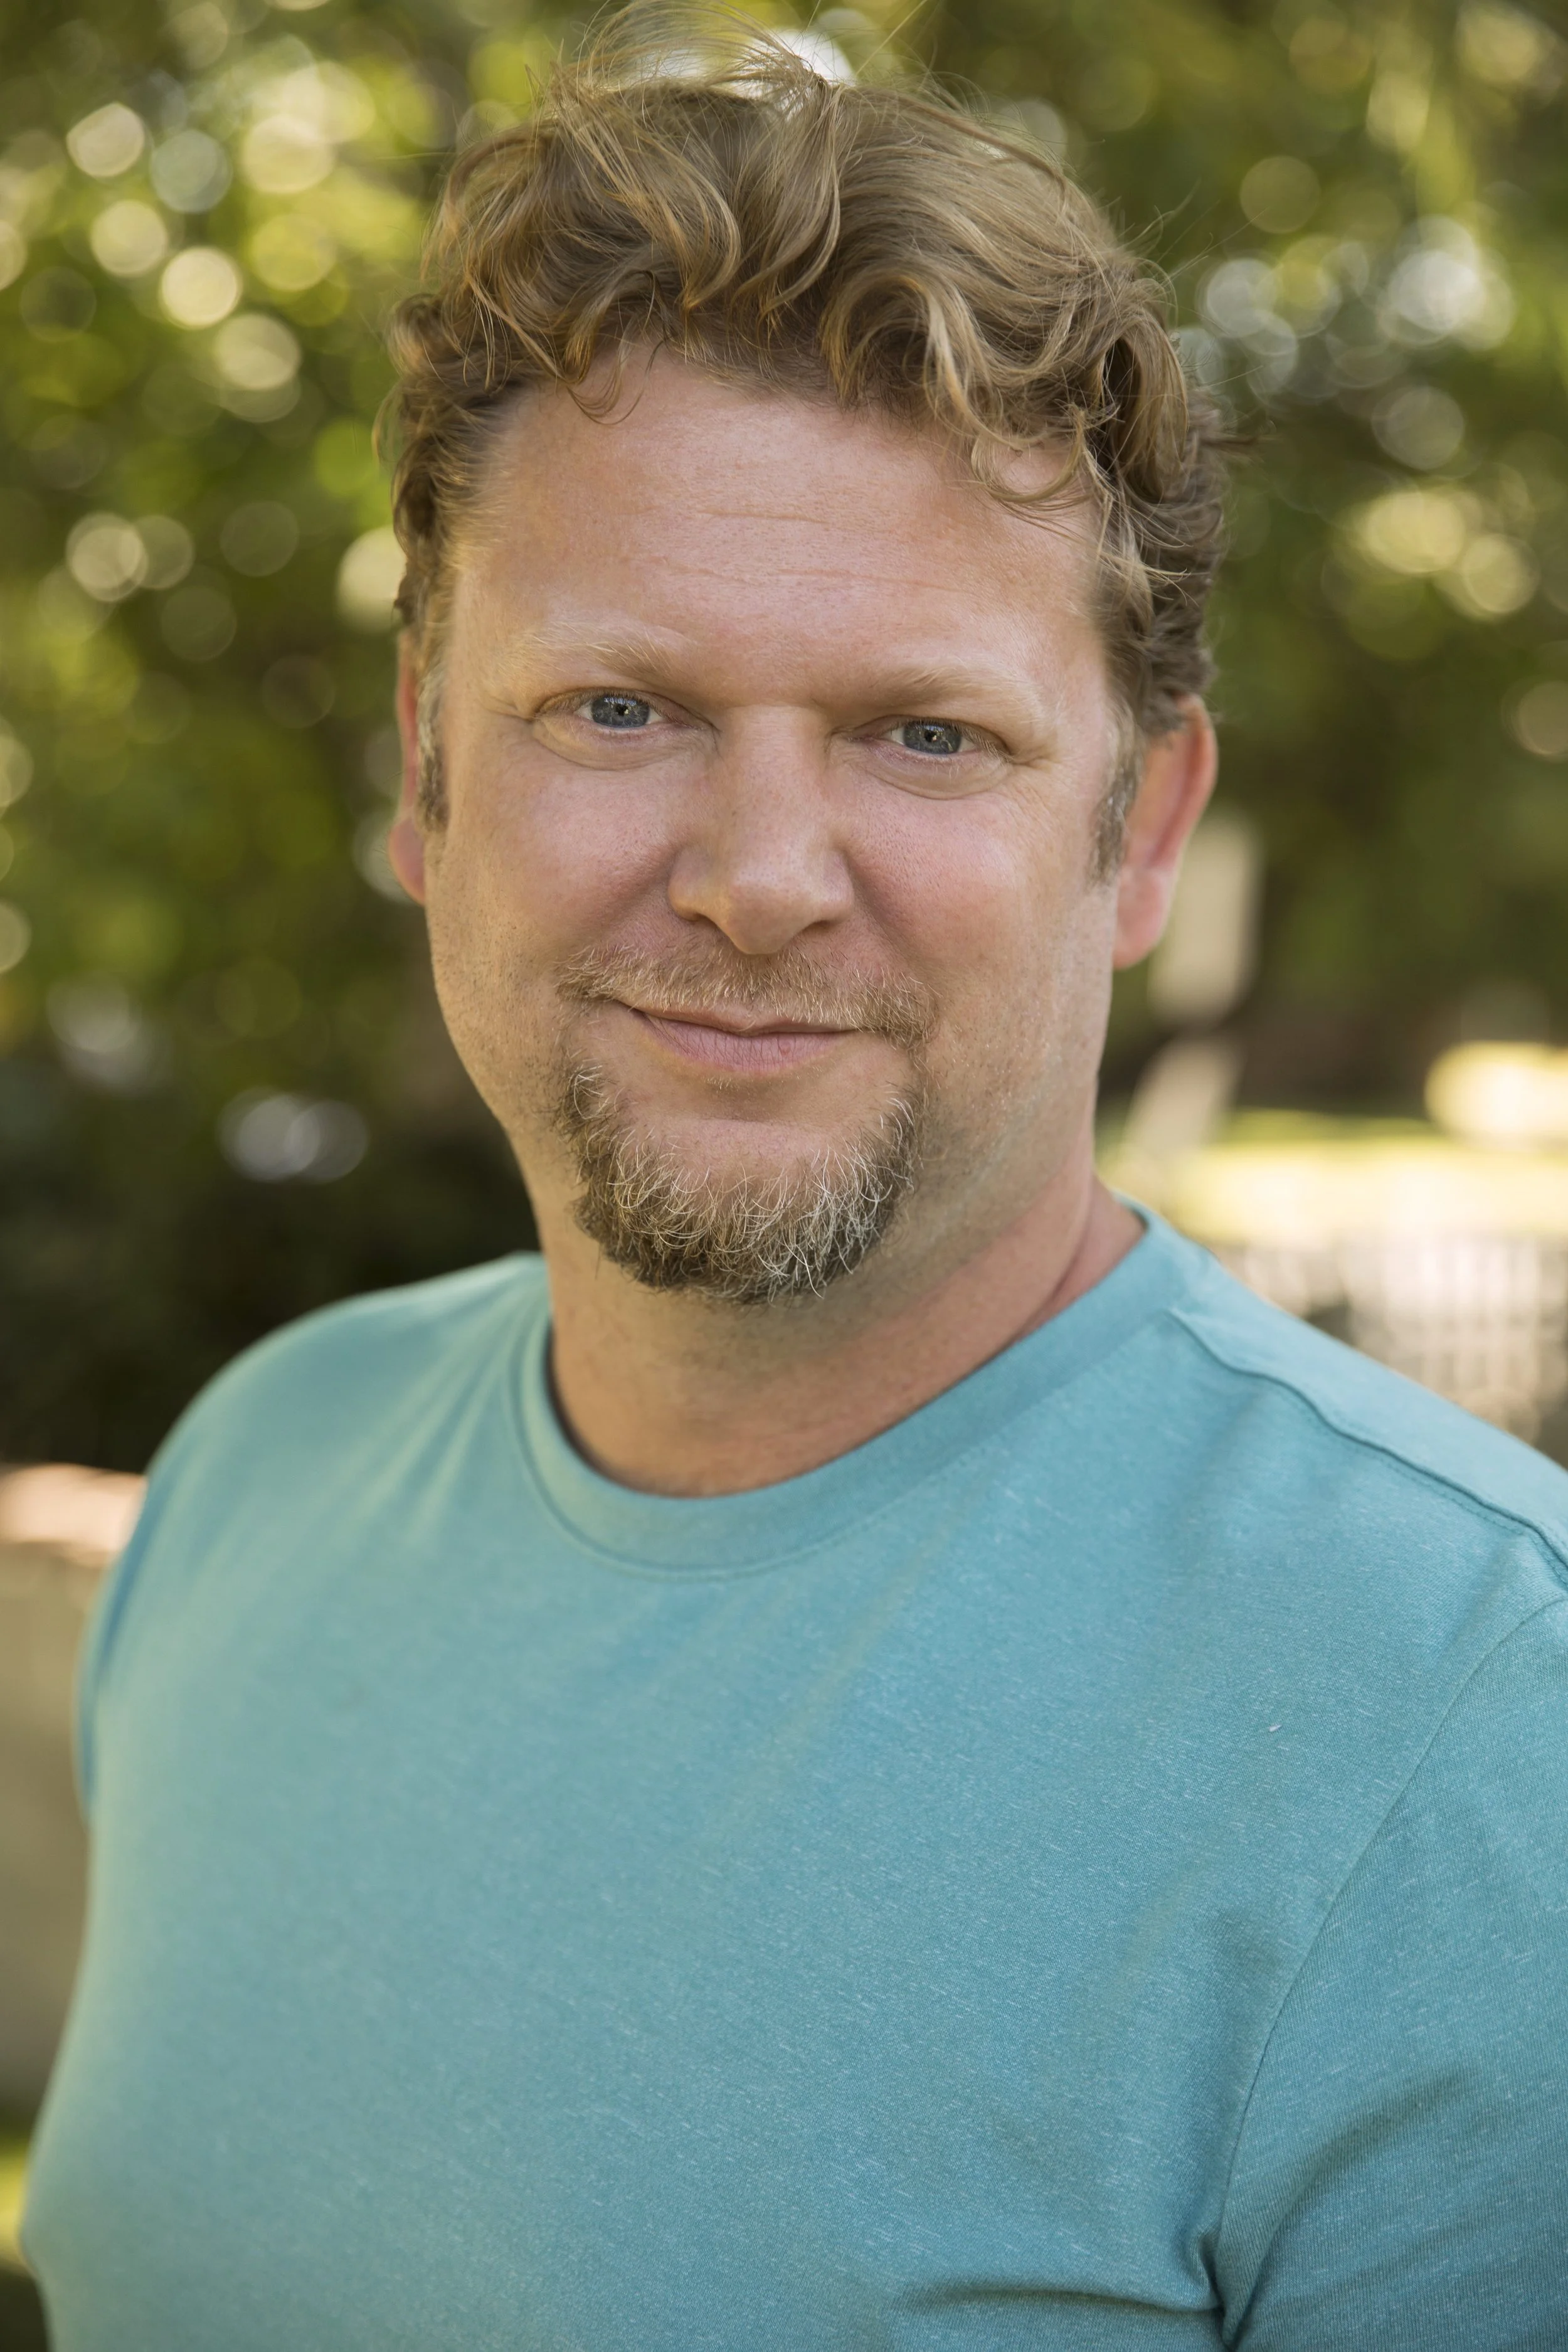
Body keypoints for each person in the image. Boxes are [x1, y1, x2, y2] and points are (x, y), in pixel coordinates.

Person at [23, 16, 1568, 2348]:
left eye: (922, 731)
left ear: (1135, 830)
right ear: (430, 775)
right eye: (617, 706)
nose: (757, 876)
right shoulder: (259, 1474)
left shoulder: (1474, 1723)